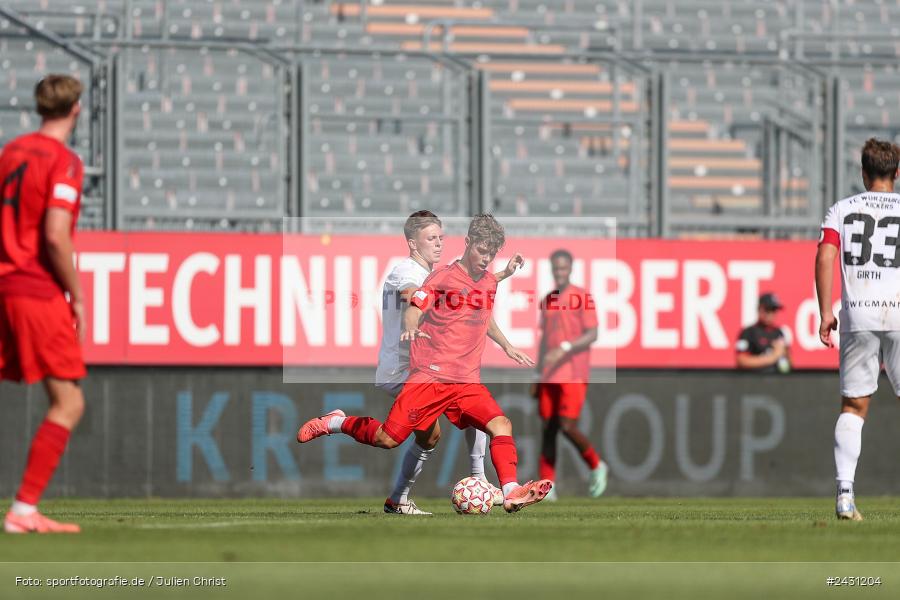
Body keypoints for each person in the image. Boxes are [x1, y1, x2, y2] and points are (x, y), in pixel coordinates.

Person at [300, 214, 552, 513]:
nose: (486, 259)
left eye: (491, 253)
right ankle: (337, 422)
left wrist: (507, 340)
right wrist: (412, 322)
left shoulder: (483, 280)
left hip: (464, 380)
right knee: (387, 438)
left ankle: (509, 490)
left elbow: (478, 306)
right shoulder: (425, 274)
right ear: (468, 243)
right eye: (481, 251)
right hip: (425, 374)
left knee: (498, 424)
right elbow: (416, 300)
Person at [375, 210, 527, 515]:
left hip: (434, 367)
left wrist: (502, 275)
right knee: (392, 438)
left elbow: (467, 293)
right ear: (412, 243)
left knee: (438, 433)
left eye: (441, 237)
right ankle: (338, 424)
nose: (439, 243)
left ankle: (400, 499)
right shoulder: (409, 271)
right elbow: (412, 293)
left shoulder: (443, 273)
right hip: (405, 368)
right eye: (431, 238)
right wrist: (415, 311)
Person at [1, 75, 86, 534]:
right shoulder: (64, 161)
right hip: (34, 288)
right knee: (68, 401)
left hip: (3, 284)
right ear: (77, 109)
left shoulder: (11, 151)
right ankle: (23, 509)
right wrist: (77, 294)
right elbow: (55, 234)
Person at [817, 138, 900, 522]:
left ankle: (845, 496)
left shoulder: (842, 209)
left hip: (858, 315)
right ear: (896, 174)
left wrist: (824, 311)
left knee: (854, 407)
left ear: (864, 173)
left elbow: (825, 254)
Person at [533, 249, 607, 500]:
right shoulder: (547, 300)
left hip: (573, 371)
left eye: (563, 267)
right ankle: (547, 486)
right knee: (548, 427)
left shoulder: (582, 297)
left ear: (571, 268)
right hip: (549, 373)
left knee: (566, 425)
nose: (559, 272)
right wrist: (537, 375)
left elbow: (593, 333)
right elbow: (544, 340)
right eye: (556, 268)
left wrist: (564, 348)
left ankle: (596, 465)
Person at [735, 293, 791, 373]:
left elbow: (789, 365)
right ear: (759, 309)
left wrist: (785, 353)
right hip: (755, 381)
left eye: (774, 310)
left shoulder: (779, 333)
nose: (771, 314)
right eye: (768, 309)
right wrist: (773, 357)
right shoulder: (748, 332)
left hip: (778, 382)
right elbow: (741, 361)